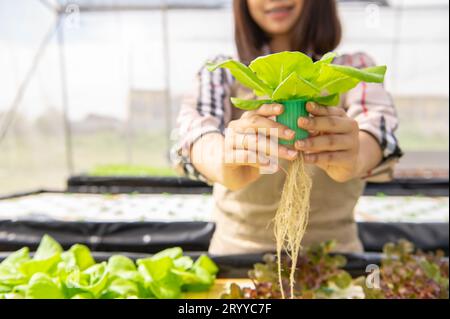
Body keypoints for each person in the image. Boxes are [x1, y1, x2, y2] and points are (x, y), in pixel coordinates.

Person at [171, 0, 402, 255]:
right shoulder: (221, 71)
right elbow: (196, 135)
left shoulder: (353, 67)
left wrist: (356, 155)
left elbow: (378, 132)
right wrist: (224, 160)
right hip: (237, 255)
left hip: (334, 255)